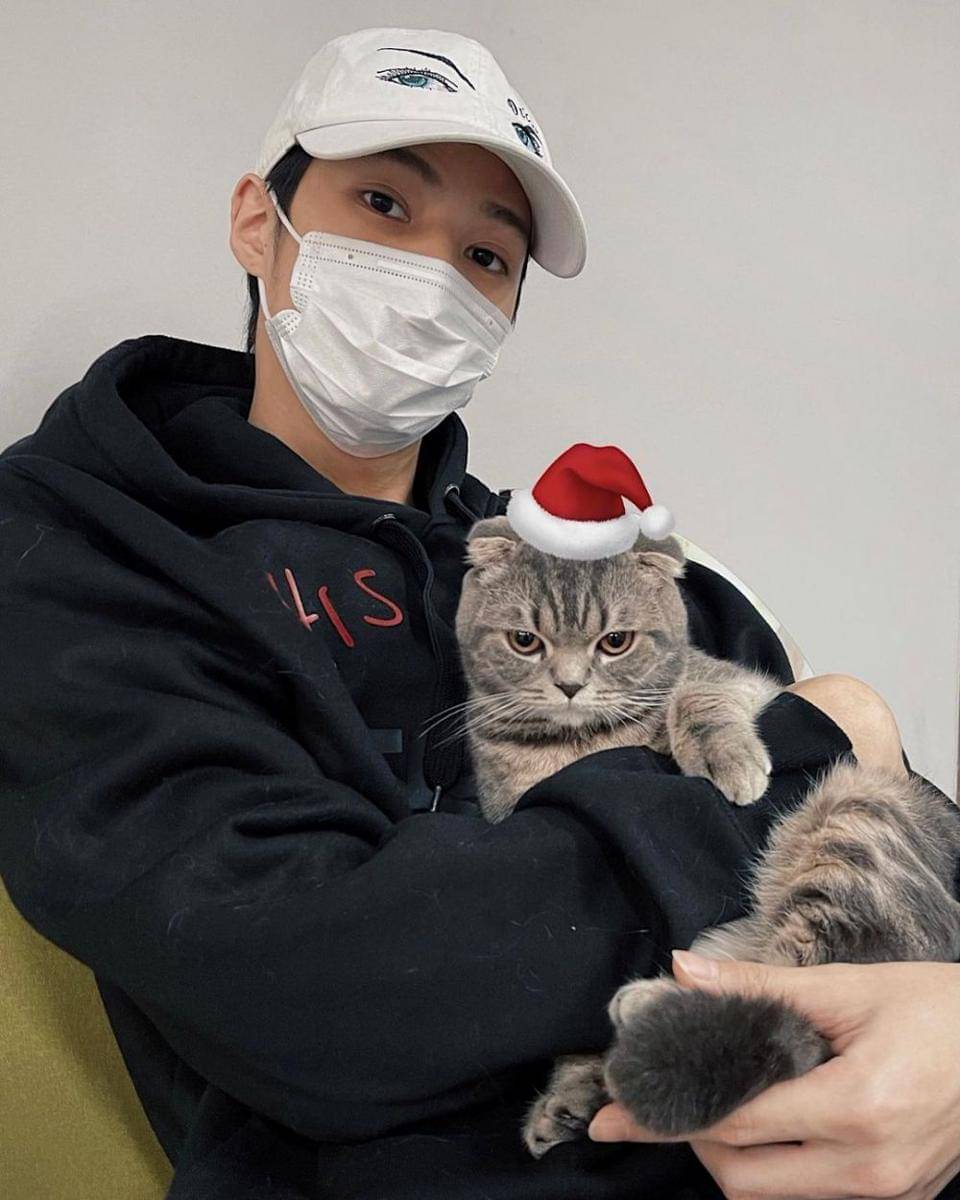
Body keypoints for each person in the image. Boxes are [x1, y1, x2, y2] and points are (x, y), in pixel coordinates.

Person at [0, 25, 953, 1200]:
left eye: (487, 256)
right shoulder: (81, 547)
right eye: (384, 204)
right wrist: (811, 750)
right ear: (258, 219)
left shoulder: (575, 558)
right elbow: (319, 987)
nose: (433, 278)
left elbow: (905, 842)